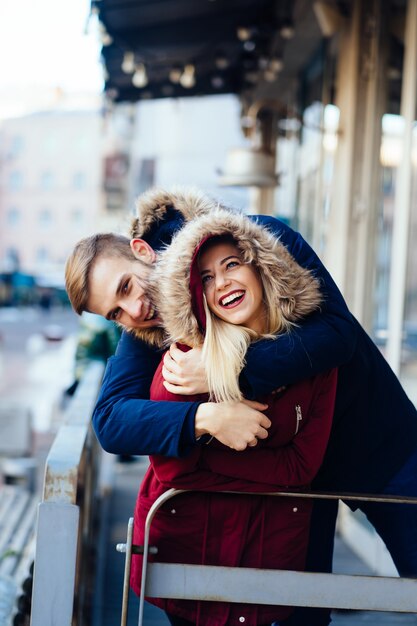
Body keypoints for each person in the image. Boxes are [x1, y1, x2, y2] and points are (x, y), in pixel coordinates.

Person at [65, 187, 417, 626]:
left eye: (126, 287)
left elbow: (336, 335)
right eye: (115, 312)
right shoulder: (149, 317)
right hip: (294, 483)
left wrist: (224, 372)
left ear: (143, 252)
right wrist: (203, 417)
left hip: (376, 442)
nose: (132, 309)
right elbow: (111, 419)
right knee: (302, 611)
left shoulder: (256, 239)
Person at [128, 209, 338, 626]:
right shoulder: (185, 360)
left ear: (260, 267)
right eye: (205, 277)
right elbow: (170, 468)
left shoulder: (313, 356)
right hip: (188, 551)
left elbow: (302, 465)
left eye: (231, 264)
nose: (221, 282)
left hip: (269, 549)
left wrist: (205, 457)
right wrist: (213, 422)